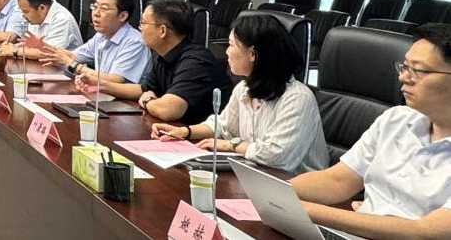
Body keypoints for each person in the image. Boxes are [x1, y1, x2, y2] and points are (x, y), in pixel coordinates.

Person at [288, 23, 451, 239]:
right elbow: (338, 181)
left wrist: (307, 211)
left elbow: (424, 232)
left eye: (418, 70)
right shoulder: (395, 119)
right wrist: (274, 191)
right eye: (404, 67)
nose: (403, 77)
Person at [150, 15, 327, 173]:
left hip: (296, 188)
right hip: (256, 176)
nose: (226, 51)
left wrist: (231, 145)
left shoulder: (297, 98)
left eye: (231, 45)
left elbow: (276, 156)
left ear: (252, 54)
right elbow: (224, 127)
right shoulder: (244, 88)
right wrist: (185, 132)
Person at [76, 0, 229, 123]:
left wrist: (147, 101)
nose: (140, 28)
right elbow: (143, 89)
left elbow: (168, 110)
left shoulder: (196, 62)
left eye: (143, 23)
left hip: (200, 140)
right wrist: (99, 84)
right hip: (174, 130)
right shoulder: (163, 55)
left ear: (162, 31)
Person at [39, 0, 150, 83]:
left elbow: (115, 80)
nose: (96, 13)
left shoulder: (135, 42)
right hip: (100, 94)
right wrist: (45, 48)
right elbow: (74, 55)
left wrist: (71, 64)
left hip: (122, 99)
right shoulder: (101, 35)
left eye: (104, 9)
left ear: (122, 16)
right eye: (95, 7)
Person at [3, 0, 83, 59]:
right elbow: (29, 45)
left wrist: (15, 50)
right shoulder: (35, 17)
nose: (23, 15)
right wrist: (12, 46)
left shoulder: (62, 20)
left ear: (42, 8)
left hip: (65, 67)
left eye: (26, 12)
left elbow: (48, 53)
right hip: (42, 65)